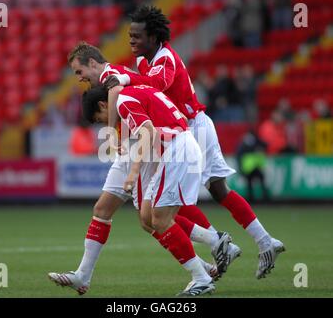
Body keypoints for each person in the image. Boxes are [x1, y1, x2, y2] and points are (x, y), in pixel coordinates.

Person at [105, 5, 284, 279]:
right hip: (181, 132)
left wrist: (124, 78)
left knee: (182, 197)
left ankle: (225, 242)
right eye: (129, 35)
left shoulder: (167, 60)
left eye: (137, 36)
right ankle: (254, 241)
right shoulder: (144, 61)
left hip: (192, 129)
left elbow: (154, 86)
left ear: (153, 38)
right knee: (207, 192)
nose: (131, 41)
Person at [48, 46, 239, 295]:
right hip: (146, 145)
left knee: (152, 218)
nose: (79, 77)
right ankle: (83, 276)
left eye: (79, 71)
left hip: (144, 147)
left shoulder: (111, 80)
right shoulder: (116, 80)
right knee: (107, 210)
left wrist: (116, 139)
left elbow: (127, 105)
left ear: (93, 63)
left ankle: (208, 256)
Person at [236, 129, 269, 202]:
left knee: (252, 183)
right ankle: (262, 197)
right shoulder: (249, 143)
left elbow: (239, 156)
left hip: (251, 167)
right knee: (255, 182)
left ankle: (256, 198)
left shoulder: (244, 144)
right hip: (250, 168)